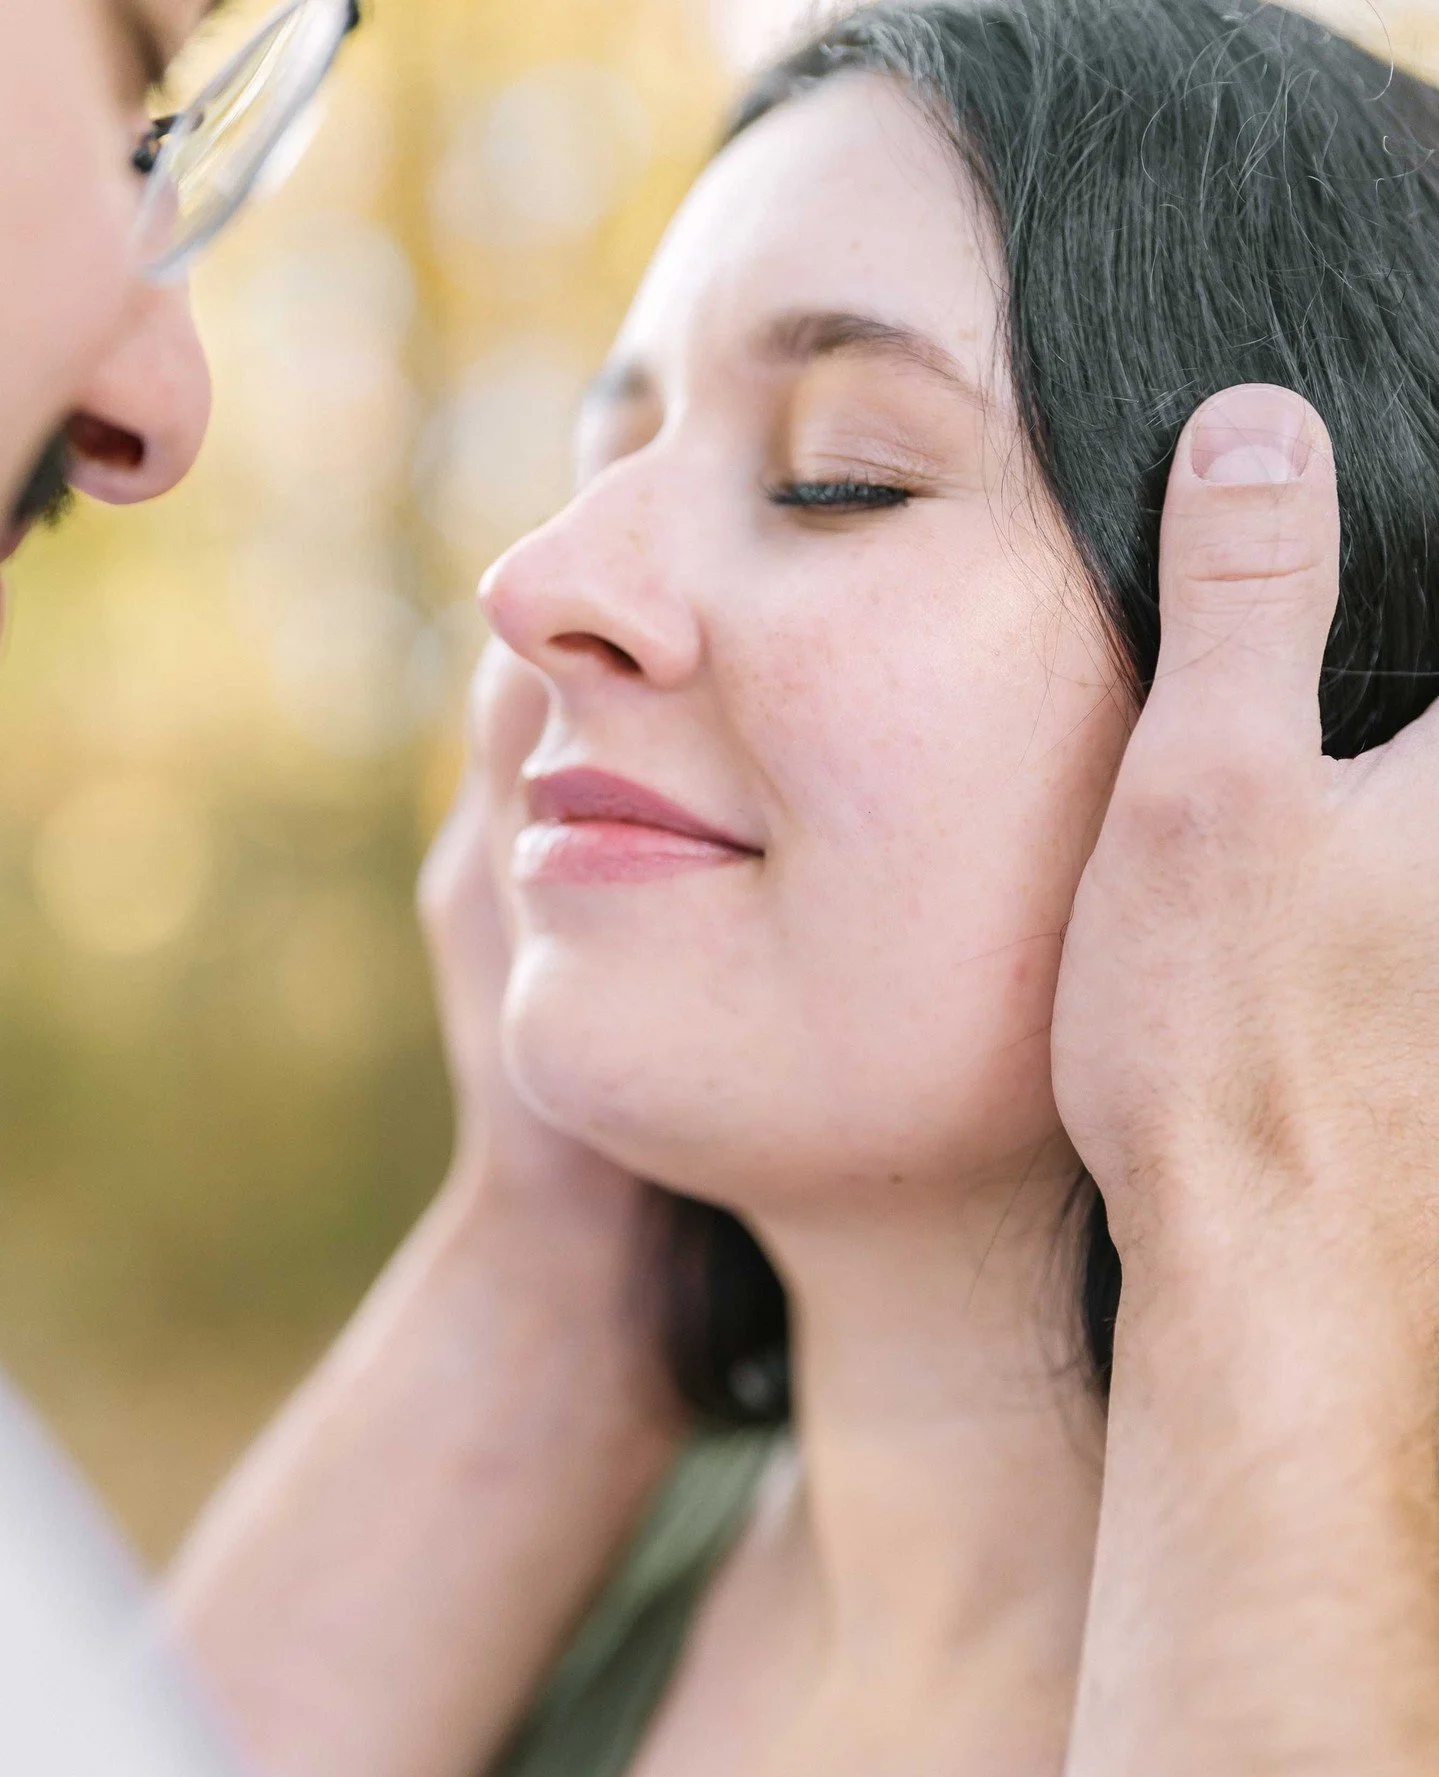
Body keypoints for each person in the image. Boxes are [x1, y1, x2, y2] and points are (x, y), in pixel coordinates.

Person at [169, 3, 1439, 1775]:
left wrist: (1274, 1183)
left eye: (840, 475)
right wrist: (541, 1251)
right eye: (603, 459)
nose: (544, 578)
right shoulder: (491, 1617)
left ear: (1339, 703)